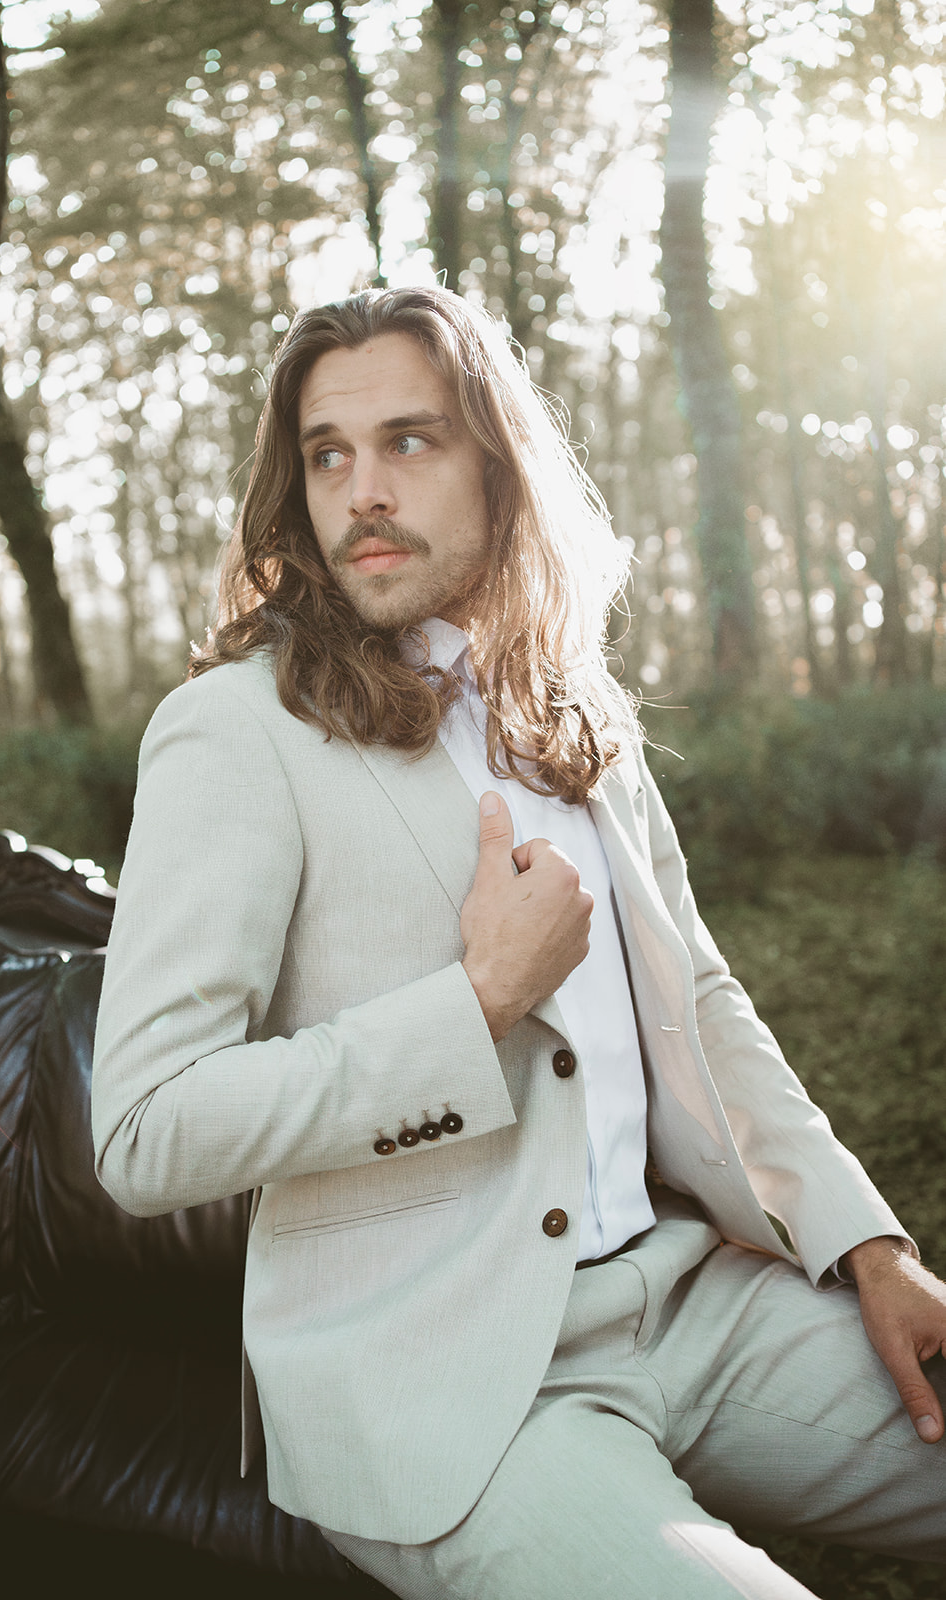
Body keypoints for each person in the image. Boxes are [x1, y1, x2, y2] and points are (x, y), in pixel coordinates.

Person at [91, 285, 946, 1599]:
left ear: (500, 466)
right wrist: (475, 1002)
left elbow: (702, 1003)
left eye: (410, 442)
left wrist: (867, 1247)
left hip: (692, 1300)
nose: (362, 490)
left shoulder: (569, 700)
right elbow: (145, 1129)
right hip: (444, 1378)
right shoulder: (236, 731)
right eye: (329, 454)